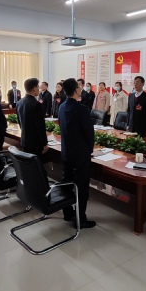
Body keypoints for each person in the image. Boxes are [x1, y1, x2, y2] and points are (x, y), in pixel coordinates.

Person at [59, 78, 96, 228]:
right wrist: (89, 150)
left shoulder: (62, 107)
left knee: (66, 182)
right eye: (79, 87)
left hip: (66, 151)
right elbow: (89, 134)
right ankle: (81, 219)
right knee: (81, 186)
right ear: (76, 90)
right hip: (80, 154)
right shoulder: (82, 109)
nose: (80, 89)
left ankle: (67, 212)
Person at [16, 78, 48, 155]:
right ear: (34, 88)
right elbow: (40, 126)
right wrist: (45, 143)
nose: (39, 89)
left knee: (27, 162)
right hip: (35, 144)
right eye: (38, 87)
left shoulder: (19, 102)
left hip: (24, 141)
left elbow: (20, 122)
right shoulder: (36, 104)